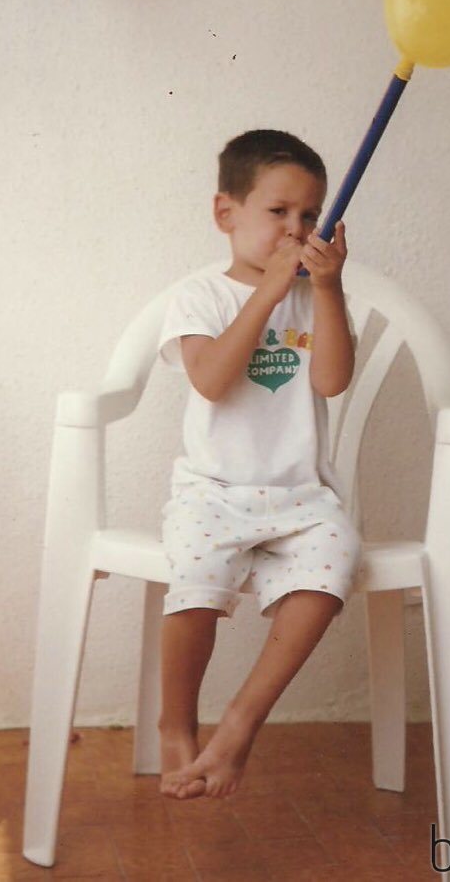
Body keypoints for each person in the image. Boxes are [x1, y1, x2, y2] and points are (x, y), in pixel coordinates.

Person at [156, 129, 362, 799]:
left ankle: (241, 723)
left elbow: (331, 380)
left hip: (299, 495)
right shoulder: (197, 294)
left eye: (310, 215)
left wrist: (324, 291)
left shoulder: (317, 294)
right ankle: (175, 724)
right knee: (193, 576)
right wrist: (266, 294)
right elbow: (212, 379)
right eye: (278, 212)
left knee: (330, 569)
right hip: (213, 491)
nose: (296, 229)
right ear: (227, 214)